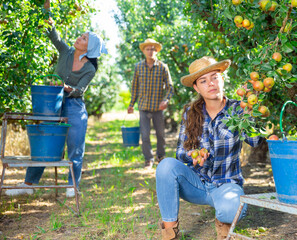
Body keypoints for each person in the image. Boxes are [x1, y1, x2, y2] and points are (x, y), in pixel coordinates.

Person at [5, 0, 107, 198]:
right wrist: (47, 8)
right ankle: (28, 184)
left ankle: (72, 186)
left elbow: (80, 90)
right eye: (81, 36)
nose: (79, 38)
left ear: (89, 48)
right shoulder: (66, 51)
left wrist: (67, 87)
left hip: (74, 105)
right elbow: (52, 33)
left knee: (76, 146)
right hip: (53, 103)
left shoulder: (90, 68)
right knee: (44, 141)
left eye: (84, 38)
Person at [156, 56, 264, 240]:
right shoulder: (191, 113)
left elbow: (255, 142)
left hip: (226, 185)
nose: (211, 83)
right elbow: (180, 154)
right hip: (195, 184)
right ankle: (170, 233)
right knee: (166, 165)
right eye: (203, 81)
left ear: (223, 78)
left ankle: (223, 221)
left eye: (214, 77)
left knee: (232, 209)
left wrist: (249, 113)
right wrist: (192, 156)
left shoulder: (238, 109)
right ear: (197, 88)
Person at [127, 39, 173, 168]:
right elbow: (135, 87)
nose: (150, 51)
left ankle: (161, 156)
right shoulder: (138, 67)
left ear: (156, 51)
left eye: (153, 49)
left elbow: (170, 87)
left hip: (158, 108)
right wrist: (131, 104)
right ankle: (148, 159)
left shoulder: (163, 67)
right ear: (143, 51)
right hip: (144, 107)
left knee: (161, 135)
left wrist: (166, 100)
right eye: (147, 49)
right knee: (145, 135)